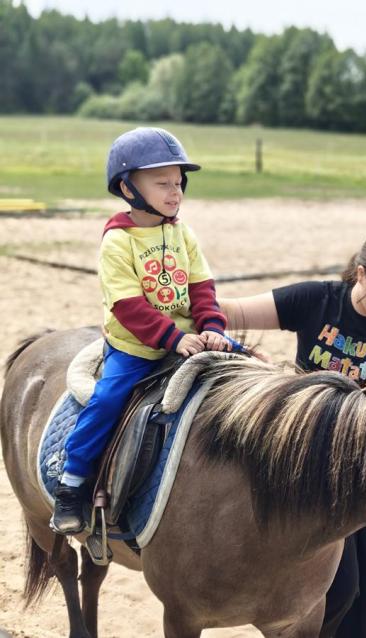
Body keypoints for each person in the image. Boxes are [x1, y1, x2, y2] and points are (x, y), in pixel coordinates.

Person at [220, 229, 366, 637]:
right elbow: (229, 311)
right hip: (311, 461)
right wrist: (238, 347)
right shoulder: (317, 300)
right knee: (339, 589)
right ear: (361, 274)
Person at [51, 127, 230, 535]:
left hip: (189, 338)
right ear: (128, 188)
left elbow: (202, 289)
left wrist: (212, 327)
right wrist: (174, 338)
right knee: (106, 401)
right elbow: (128, 307)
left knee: (253, 363)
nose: (175, 192)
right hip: (136, 348)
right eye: (162, 183)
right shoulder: (118, 241)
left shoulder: (183, 233)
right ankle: (72, 482)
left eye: (178, 183)